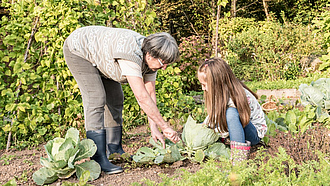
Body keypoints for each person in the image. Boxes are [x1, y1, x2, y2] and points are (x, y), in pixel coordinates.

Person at [63, 26, 181, 174]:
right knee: (96, 98)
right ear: (150, 55)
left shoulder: (152, 62)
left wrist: (155, 128)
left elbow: (150, 93)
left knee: (116, 98)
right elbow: (141, 97)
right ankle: (98, 157)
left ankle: (115, 150)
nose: (164, 68)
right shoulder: (131, 55)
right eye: (163, 63)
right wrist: (165, 126)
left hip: (103, 57)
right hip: (80, 50)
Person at [197, 58, 267, 165]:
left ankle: (239, 159)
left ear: (217, 83)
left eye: (204, 85)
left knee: (231, 113)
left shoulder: (238, 95)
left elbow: (236, 120)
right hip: (240, 128)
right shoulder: (220, 93)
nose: (203, 88)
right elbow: (213, 117)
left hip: (253, 133)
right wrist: (201, 127)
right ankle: (234, 144)